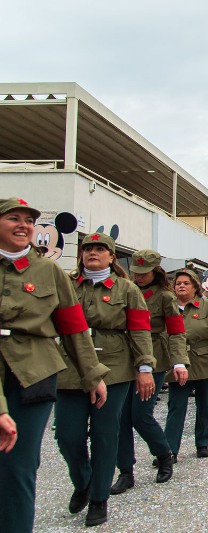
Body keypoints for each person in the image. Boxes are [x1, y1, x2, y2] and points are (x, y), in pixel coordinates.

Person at [0, 198, 108, 533]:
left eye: (29, 220)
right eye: (13, 218)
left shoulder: (47, 270)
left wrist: (92, 374)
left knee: (17, 465)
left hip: (33, 372)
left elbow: (73, 326)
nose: (23, 225)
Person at [56, 232, 155, 527]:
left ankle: (99, 497)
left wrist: (145, 367)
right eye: (88, 248)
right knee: (67, 435)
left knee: (104, 433)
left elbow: (139, 330)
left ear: (112, 257)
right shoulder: (67, 284)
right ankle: (83, 480)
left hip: (114, 367)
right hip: (70, 367)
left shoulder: (126, 289)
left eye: (100, 249)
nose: (93, 253)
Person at [111, 249, 189, 496]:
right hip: (125, 356)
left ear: (156, 272)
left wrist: (179, 362)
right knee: (121, 417)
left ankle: (164, 454)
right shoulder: (124, 289)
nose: (139, 276)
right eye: (136, 271)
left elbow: (176, 332)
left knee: (140, 414)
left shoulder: (166, 297)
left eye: (144, 273)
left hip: (154, 356)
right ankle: (125, 470)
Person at [163, 269, 208, 460]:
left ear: (195, 286)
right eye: (178, 283)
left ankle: (203, 443)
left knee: (205, 404)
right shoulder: (168, 306)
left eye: (186, 283)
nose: (181, 286)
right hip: (177, 361)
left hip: (206, 359)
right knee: (176, 407)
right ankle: (170, 449)